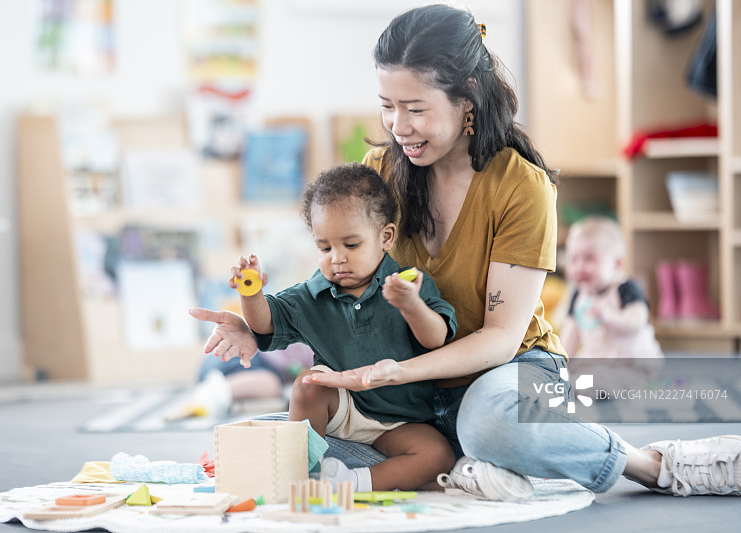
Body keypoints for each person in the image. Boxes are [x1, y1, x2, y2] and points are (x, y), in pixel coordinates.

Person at [190, 4, 741, 498]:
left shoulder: (520, 185)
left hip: (513, 372)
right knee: (284, 439)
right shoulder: (378, 171)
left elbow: (501, 338)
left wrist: (392, 374)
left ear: (467, 97)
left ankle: (652, 464)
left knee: (487, 421)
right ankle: (471, 470)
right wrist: (258, 324)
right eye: (387, 106)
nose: (398, 127)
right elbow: (340, 273)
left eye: (416, 109)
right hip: (413, 391)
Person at [226, 162, 459, 492]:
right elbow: (264, 322)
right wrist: (251, 293)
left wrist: (411, 305)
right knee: (308, 383)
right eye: (324, 248)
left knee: (438, 456)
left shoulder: (410, 285)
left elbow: (436, 340)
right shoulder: (311, 294)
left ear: (385, 237)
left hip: (400, 421)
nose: (337, 258)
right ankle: (301, 474)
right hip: (342, 409)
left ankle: (353, 483)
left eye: (351, 245)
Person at [559, 216, 663, 391]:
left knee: (602, 380)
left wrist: (609, 317)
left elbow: (637, 321)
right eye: (574, 259)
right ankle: (569, 384)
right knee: (570, 371)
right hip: (598, 359)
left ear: (617, 264)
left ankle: (581, 389)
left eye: (589, 259)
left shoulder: (626, 288)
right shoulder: (578, 295)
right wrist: (560, 364)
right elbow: (570, 334)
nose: (579, 267)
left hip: (630, 361)